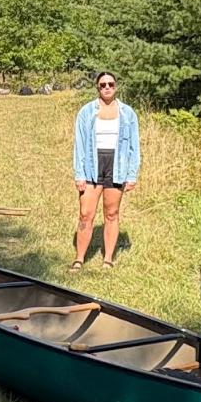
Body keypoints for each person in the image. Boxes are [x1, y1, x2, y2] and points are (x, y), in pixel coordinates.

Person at [71, 70, 140, 269]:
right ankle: (79, 259)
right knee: (86, 214)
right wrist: (79, 174)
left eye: (110, 84)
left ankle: (107, 259)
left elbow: (134, 146)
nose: (107, 88)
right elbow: (80, 144)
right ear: (98, 88)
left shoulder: (127, 113)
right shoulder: (86, 112)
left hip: (117, 165)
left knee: (111, 213)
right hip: (92, 165)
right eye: (103, 85)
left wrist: (131, 175)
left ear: (116, 86)